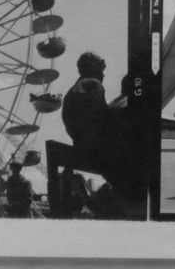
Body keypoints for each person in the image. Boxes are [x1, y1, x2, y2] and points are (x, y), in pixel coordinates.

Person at [62, 51, 145, 210]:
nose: (103, 74)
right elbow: (100, 118)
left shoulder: (76, 88)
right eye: (102, 69)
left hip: (82, 140)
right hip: (93, 143)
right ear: (93, 69)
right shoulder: (92, 84)